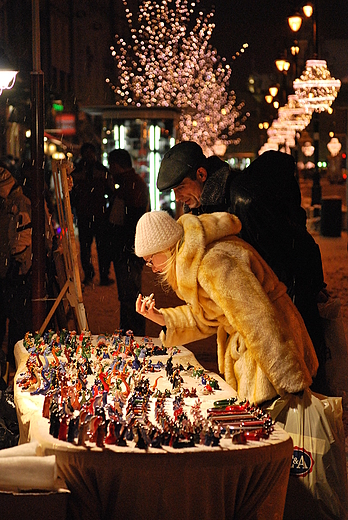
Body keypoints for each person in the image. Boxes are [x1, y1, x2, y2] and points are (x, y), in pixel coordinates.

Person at [157, 141, 328, 394]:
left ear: (201, 175)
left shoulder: (244, 199)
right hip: (250, 317)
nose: (177, 197)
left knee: (302, 399)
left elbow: (284, 257)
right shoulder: (200, 205)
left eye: (181, 187)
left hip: (281, 309)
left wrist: (291, 315)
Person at [134, 210, 318, 406]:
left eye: (150, 260)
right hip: (259, 348)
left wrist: (290, 380)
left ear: (164, 249)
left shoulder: (211, 262)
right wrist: (160, 317)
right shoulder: (195, 262)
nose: (151, 267)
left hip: (270, 350)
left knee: (278, 423)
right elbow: (209, 314)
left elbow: (256, 317)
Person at [108, 149, 150, 335]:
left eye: (112, 165)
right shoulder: (132, 183)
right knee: (129, 294)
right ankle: (130, 330)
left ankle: (133, 332)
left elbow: (124, 220)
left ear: (117, 165)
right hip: (130, 249)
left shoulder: (129, 185)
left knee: (130, 295)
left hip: (128, 250)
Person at [0, 165, 32, 368]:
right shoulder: (17, 202)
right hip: (12, 270)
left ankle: (13, 366)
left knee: (15, 322)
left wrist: (14, 263)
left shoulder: (19, 203)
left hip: (14, 271)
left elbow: (20, 241)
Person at [70, 143, 114, 286]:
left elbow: (110, 191)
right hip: (89, 214)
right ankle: (92, 275)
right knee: (87, 247)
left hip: (95, 214)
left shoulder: (82, 171)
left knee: (100, 247)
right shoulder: (83, 171)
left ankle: (100, 275)